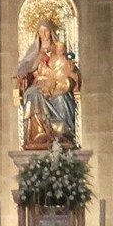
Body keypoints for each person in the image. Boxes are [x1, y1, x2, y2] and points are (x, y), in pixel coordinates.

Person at [16, 18, 80, 149]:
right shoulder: (34, 51)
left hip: (56, 84)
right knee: (32, 95)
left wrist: (69, 70)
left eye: (46, 31)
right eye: (41, 31)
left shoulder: (59, 49)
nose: (44, 34)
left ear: (51, 32)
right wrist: (27, 70)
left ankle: (62, 133)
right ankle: (38, 135)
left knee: (61, 98)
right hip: (38, 84)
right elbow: (26, 69)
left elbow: (71, 66)